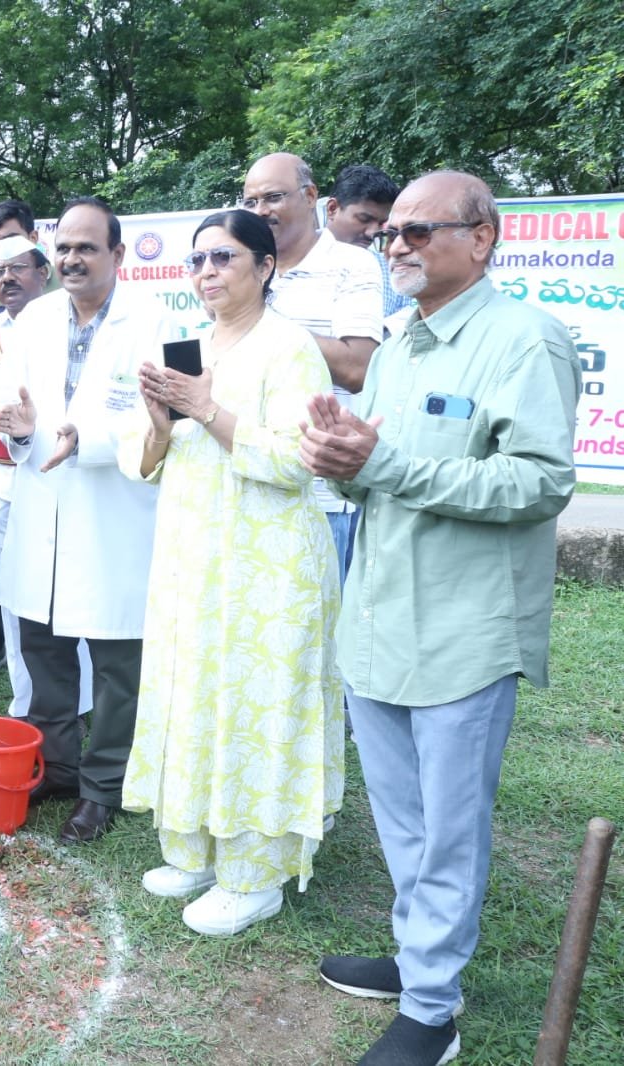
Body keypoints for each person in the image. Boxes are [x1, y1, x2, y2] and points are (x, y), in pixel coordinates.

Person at [302, 171, 581, 1066]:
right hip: (379, 619)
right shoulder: (396, 347)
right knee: (401, 820)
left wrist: (380, 466)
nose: (397, 247)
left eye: (420, 232)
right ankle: (417, 955)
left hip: (462, 631)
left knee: (447, 824)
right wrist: (340, 461)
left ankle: (431, 1010)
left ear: (483, 237)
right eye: (390, 235)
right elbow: (380, 469)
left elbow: (539, 483)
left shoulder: (522, 341)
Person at [115, 208, 341, 937]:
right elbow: (143, 458)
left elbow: (293, 461)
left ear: (265, 267)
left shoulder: (290, 349)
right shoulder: (188, 345)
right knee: (193, 692)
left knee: (254, 702)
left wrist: (206, 407)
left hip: (266, 566)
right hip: (191, 555)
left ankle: (254, 875)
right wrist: (158, 418)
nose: (205, 273)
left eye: (222, 259)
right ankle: (195, 846)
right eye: (196, 261)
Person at [0, 199, 176, 843]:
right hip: (42, 503)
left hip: (113, 512)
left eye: (87, 248)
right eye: (64, 247)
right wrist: (15, 428)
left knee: (117, 662)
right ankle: (59, 768)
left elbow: (166, 419)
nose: (72, 258)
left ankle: (104, 786)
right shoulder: (32, 319)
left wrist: (87, 438)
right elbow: (10, 400)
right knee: (45, 651)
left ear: (118, 256)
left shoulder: (153, 321)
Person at [0, 232, 86, 718]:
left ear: (42, 271)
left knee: (73, 587)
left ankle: (81, 699)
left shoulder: (71, 322)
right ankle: (26, 699)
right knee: (14, 592)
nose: (6, 278)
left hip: (65, 473)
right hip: (4, 477)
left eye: (17, 268)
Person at [241, 152, 383, 576]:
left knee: (323, 639)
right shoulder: (243, 268)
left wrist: (260, 319)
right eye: (250, 202)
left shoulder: (351, 264)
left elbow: (359, 367)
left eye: (273, 197)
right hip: (249, 481)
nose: (260, 211)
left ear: (311, 197)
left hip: (322, 497)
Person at [323, 163, 410, 317]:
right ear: (332, 209)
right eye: (364, 219)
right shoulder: (293, 261)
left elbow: (412, 310)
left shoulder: (389, 265)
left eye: (380, 223)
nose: (373, 233)